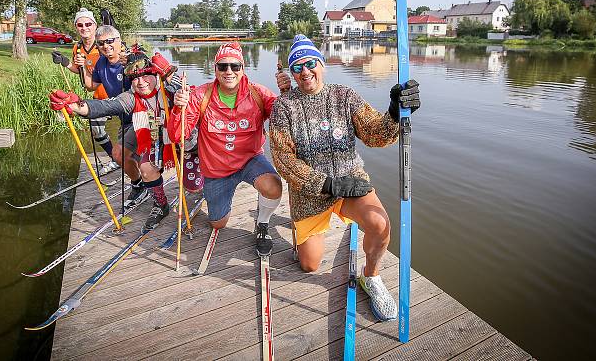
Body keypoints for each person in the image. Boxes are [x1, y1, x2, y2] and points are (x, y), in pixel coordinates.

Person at [269, 34, 420, 322]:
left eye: (310, 63)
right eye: (297, 67)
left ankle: (371, 278)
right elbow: (283, 161)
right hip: (309, 193)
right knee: (310, 265)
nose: (304, 72)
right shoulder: (283, 108)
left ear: (322, 64)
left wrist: (394, 112)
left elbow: (376, 134)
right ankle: (301, 236)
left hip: (350, 183)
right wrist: (326, 184)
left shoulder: (344, 96)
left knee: (380, 224)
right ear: (292, 73)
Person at [50, 51, 191, 230]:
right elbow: (107, 105)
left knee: (193, 185)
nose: (140, 82)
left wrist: (170, 74)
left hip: (174, 130)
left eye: (144, 75)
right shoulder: (131, 96)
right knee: (145, 168)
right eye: (134, 78)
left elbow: (188, 92)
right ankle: (160, 204)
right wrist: (76, 105)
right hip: (148, 130)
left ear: (154, 72)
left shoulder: (166, 84)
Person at [167, 42, 283, 256]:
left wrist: (287, 93)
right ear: (215, 69)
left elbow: (286, 117)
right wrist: (177, 108)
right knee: (218, 223)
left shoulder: (258, 93)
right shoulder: (200, 95)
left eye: (234, 66)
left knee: (274, 186)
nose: (229, 71)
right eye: (223, 67)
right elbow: (177, 136)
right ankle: (218, 199)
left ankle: (263, 223)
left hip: (250, 160)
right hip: (217, 170)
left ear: (243, 67)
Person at [61, 8, 117, 175]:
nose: (84, 27)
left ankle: (132, 163)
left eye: (88, 24)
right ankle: (115, 158)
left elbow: (113, 62)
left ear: (95, 26)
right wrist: (66, 63)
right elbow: (80, 71)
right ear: (76, 27)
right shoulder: (77, 47)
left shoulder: (103, 44)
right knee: (97, 131)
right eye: (80, 24)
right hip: (97, 95)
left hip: (115, 93)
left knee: (129, 132)